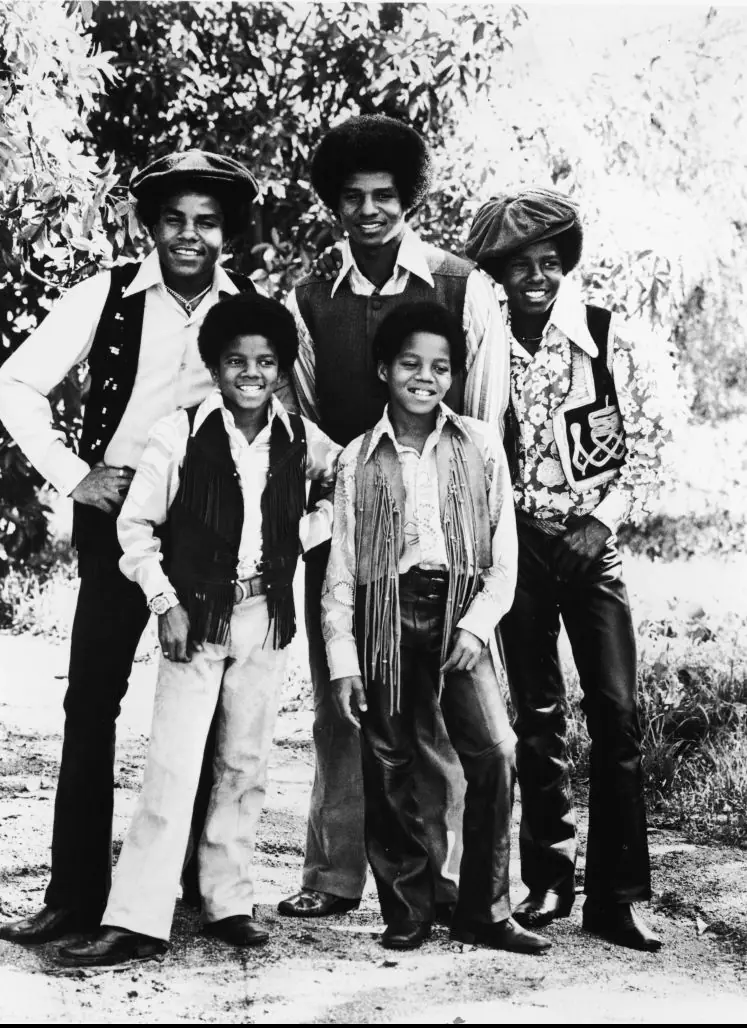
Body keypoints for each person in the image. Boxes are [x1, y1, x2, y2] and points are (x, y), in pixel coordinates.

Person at [0, 150, 260, 945]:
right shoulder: (104, 294)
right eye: (173, 219)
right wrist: (75, 475)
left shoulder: (241, 308)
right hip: (117, 530)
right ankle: (74, 894)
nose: (189, 234)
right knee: (92, 703)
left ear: (226, 232)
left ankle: (201, 892)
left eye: (206, 221)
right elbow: (15, 385)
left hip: (209, 541)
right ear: (149, 225)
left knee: (204, 714)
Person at [56, 294, 341, 966]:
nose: (250, 372)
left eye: (265, 361)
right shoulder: (178, 431)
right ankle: (136, 917)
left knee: (243, 762)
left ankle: (227, 901)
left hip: (262, 617)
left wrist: (302, 535)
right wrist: (165, 602)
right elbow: (134, 526)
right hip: (197, 618)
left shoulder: (300, 437)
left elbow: (342, 479)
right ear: (214, 366)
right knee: (176, 764)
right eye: (236, 360)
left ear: (280, 368)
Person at [278, 114, 509, 920]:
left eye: (384, 195)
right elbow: (297, 415)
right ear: (333, 204)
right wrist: (349, 478)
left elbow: (481, 419)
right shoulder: (308, 300)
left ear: (407, 198)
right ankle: (334, 875)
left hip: (443, 536)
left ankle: (439, 884)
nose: (369, 211)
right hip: (346, 527)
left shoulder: (459, 284)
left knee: (442, 712)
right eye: (352, 197)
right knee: (343, 705)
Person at [464, 187, 675, 952]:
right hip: (517, 548)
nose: (535, 278)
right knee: (536, 716)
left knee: (614, 713)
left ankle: (617, 898)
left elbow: (654, 441)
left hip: (591, 548)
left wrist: (600, 521)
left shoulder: (605, 336)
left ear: (566, 264)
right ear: (497, 272)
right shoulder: (483, 344)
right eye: (518, 266)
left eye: (548, 263)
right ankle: (548, 878)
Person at [321, 300, 549, 954]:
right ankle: (407, 908)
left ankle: (484, 907)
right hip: (385, 610)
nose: (425, 376)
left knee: (494, 749)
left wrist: (477, 628)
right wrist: (342, 658)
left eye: (440, 367)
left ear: (454, 375)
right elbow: (341, 567)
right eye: (411, 364)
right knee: (388, 758)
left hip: (459, 607)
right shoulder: (356, 458)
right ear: (384, 369)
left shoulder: (479, 444)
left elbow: (502, 557)